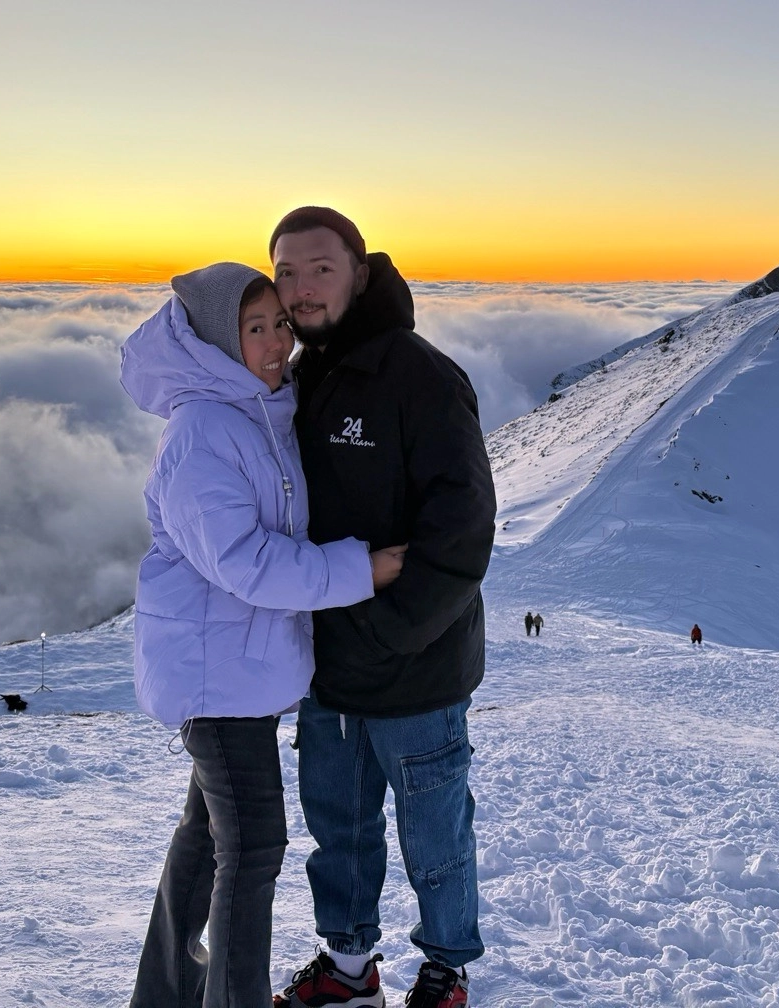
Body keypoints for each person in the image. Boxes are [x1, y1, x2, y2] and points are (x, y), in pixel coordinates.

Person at [119, 262, 407, 1008]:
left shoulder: (257, 410)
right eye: (256, 328)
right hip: (215, 678)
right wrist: (362, 569)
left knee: (207, 839)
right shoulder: (203, 432)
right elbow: (246, 563)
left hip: (230, 669)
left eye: (280, 322)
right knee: (252, 850)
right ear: (218, 342)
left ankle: (165, 995)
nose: (279, 341)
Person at [268, 207, 496, 1008]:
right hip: (329, 669)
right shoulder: (299, 378)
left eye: (320, 269)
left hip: (416, 671)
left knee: (435, 836)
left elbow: (462, 527)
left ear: (360, 275)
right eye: (286, 272)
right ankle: (348, 967)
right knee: (341, 831)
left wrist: (391, 631)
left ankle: (445, 972)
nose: (301, 288)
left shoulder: (420, 376)